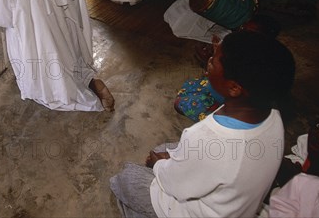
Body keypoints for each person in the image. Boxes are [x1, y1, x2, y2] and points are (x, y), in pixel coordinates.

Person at [110, 31, 295, 218]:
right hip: (236, 203)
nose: (210, 59)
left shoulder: (205, 137)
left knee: (128, 178)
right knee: (165, 148)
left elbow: (174, 184)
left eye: (215, 59)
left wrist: (159, 165)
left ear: (234, 88)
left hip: (196, 209)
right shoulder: (275, 118)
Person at [175, 14, 282, 122]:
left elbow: (232, 84)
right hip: (224, 89)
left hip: (228, 100)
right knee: (188, 89)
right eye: (242, 28)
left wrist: (211, 59)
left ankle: (216, 116)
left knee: (183, 104)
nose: (242, 33)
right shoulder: (244, 48)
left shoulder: (254, 64)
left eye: (249, 32)